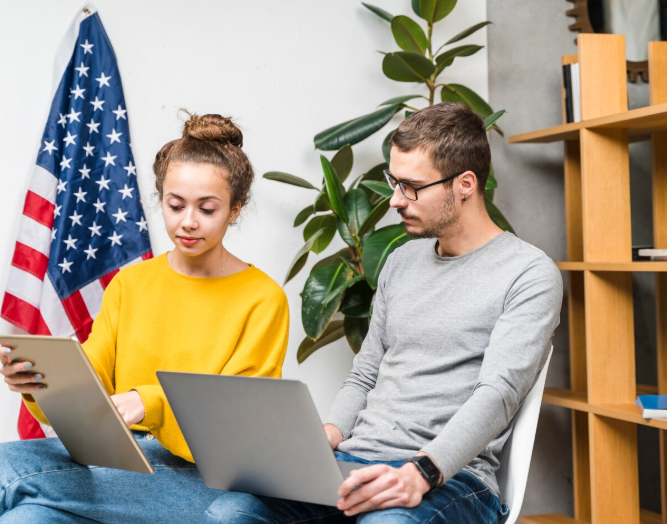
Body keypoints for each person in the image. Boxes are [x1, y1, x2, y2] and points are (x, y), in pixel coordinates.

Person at [203, 102, 563, 524]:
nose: (394, 200)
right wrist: (326, 437)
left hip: (453, 479)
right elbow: (365, 373)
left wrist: (422, 472)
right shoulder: (401, 261)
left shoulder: (529, 273)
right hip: (356, 460)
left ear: (465, 184)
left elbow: (499, 394)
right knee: (231, 514)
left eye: (411, 186)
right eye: (394, 181)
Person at [0, 112, 290, 524]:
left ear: (235, 209)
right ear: (161, 199)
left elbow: (237, 424)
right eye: (175, 205)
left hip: (204, 481)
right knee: (23, 520)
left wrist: (148, 401)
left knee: (7, 463)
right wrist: (41, 384)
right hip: (122, 468)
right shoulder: (131, 284)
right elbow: (92, 381)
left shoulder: (262, 298)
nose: (188, 221)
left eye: (207, 208)